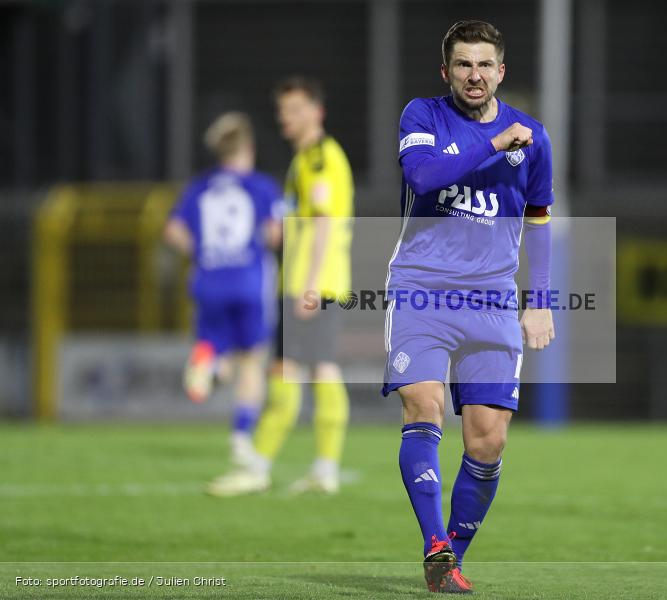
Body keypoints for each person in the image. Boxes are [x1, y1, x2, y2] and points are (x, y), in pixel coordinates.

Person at [383, 20, 555, 594]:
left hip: (493, 301)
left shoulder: (533, 136)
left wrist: (542, 302)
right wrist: (493, 143)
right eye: (463, 64)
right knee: (423, 405)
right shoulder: (423, 117)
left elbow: (539, 220)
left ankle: (448, 560)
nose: (474, 75)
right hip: (421, 291)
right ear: (446, 71)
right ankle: (434, 540)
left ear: (501, 71)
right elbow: (424, 176)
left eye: (485, 65)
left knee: (488, 440)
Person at [206, 77, 355, 497]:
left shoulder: (321, 160)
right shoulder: (305, 160)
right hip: (309, 281)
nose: (285, 119)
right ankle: (312, 468)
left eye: (294, 110)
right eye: (282, 111)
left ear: (316, 112)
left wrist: (308, 285)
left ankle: (263, 466)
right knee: (302, 370)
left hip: (314, 283)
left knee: (303, 371)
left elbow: (324, 222)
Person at [164, 112, 282, 484]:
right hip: (247, 282)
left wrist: (200, 250)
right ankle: (241, 437)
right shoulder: (261, 187)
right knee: (253, 361)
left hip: (208, 280)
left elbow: (172, 230)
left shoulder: (199, 187)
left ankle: (210, 362)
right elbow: (274, 234)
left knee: (221, 348)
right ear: (247, 148)